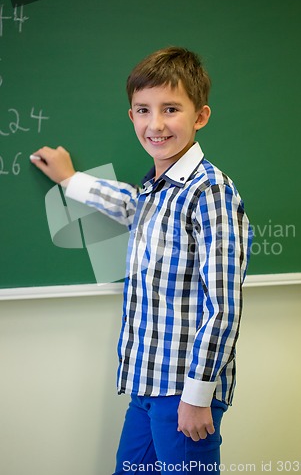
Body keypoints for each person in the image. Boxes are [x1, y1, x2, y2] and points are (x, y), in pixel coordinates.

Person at [31, 47, 252, 474]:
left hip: (183, 390)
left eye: (171, 109)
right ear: (131, 115)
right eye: (143, 110)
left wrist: (197, 395)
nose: (156, 124)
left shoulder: (210, 193)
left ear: (200, 116)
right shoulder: (156, 189)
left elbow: (224, 306)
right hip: (145, 382)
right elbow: (128, 203)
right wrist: (71, 180)